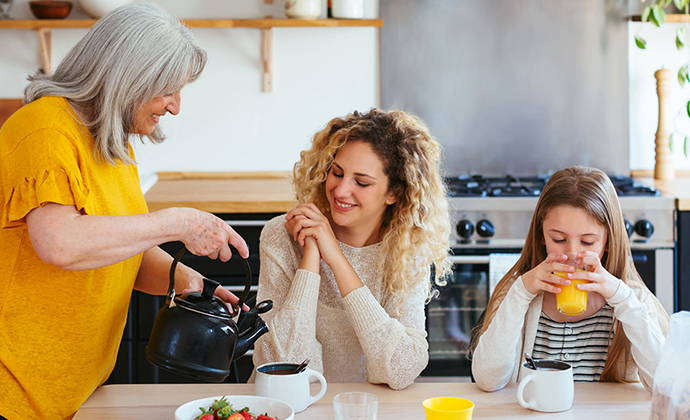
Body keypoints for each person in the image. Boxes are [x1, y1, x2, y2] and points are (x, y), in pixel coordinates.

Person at [0, 3, 249, 419]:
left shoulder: (113, 144)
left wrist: (187, 281)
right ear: (127, 78)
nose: (175, 107)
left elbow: (122, 247)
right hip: (14, 387)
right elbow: (61, 244)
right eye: (168, 90)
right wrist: (178, 222)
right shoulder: (44, 129)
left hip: (74, 388)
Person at [252, 108, 452, 389]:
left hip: (366, 409)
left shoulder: (407, 251)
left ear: (394, 193)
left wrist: (336, 258)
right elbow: (284, 366)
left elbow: (401, 369)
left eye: (361, 182)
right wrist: (311, 258)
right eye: (336, 173)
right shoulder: (283, 236)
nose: (341, 190)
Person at [470, 166, 669, 393]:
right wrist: (520, 293)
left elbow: (666, 385)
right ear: (541, 236)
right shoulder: (518, 292)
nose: (572, 255)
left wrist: (623, 300)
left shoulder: (633, 300)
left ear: (608, 242)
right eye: (558, 238)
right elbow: (487, 380)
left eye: (587, 242)